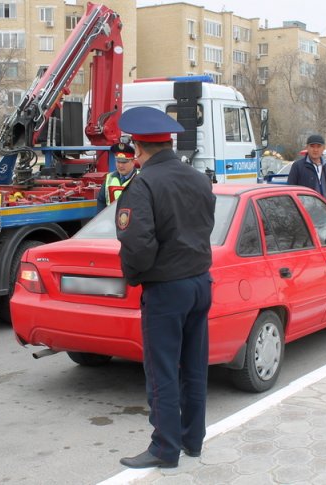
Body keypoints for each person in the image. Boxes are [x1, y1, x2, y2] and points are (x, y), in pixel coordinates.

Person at [114, 106, 215, 469]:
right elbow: (205, 225)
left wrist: (135, 277)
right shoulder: (198, 178)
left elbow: (137, 245)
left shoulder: (143, 185)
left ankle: (164, 448)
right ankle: (192, 440)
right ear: (168, 143)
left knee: (162, 370)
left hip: (167, 288)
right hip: (201, 282)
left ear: (137, 149)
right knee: (193, 366)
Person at [287, 134, 326, 202]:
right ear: (307, 147)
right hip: (305, 209)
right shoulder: (298, 166)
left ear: (323, 148)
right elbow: (291, 188)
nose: (315, 150)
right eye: (312, 146)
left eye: (318, 146)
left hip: (324, 209)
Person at [96, 142, 138, 211]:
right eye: (118, 161)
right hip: (111, 220)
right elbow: (101, 201)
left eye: (124, 162)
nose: (120, 165)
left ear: (133, 161)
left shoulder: (140, 178)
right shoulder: (109, 178)